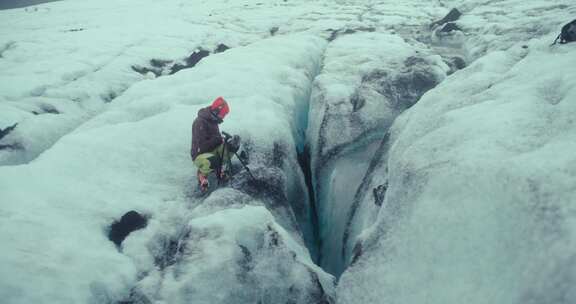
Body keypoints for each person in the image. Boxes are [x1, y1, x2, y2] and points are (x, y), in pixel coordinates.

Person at [190, 97, 240, 192]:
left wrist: (228, 143)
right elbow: (201, 148)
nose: (223, 117)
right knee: (213, 160)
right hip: (199, 155)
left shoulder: (213, 121)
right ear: (217, 111)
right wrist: (218, 139)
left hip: (211, 151)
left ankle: (219, 172)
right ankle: (202, 177)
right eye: (223, 114)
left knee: (232, 146)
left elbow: (215, 142)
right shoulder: (200, 122)